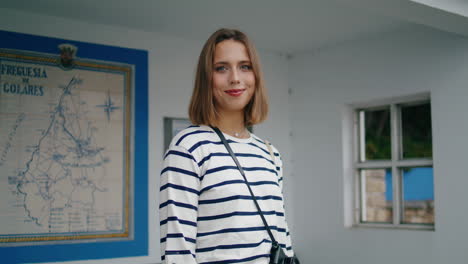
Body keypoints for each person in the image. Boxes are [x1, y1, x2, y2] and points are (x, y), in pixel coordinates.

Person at [159, 28, 294, 263]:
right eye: (221, 68)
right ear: (206, 78)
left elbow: (282, 237)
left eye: (245, 66)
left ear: (256, 76)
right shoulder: (189, 147)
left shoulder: (269, 153)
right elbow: (177, 250)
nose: (235, 78)